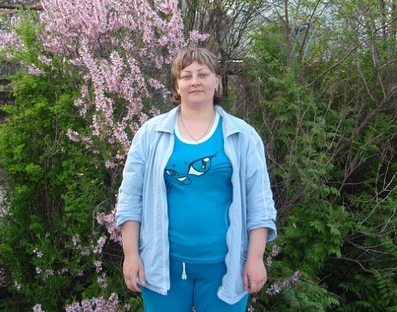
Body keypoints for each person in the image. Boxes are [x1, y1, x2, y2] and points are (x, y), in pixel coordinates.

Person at [115, 47, 277, 311]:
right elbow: (131, 198)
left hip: (225, 268)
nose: (195, 82)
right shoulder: (150, 134)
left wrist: (255, 258)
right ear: (176, 86)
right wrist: (131, 255)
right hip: (162, 268)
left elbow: (259, 202)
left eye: (203, 74)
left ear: (217, 81)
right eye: (186, 76)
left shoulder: (243, 136)